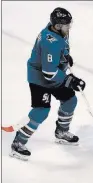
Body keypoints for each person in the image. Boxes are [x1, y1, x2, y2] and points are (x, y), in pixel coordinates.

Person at [10, 7, 86, 161]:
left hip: (54, 75)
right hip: (40, 79)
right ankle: (18, 143)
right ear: (57, 25)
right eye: (66, 25)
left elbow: (60, 49)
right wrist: (70, 80)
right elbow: (48, 73)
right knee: (41, 111)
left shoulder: (58, 32)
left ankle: (61, 132)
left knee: (70, 100)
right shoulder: (50, 41)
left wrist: (65, 56)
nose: (69, 27)